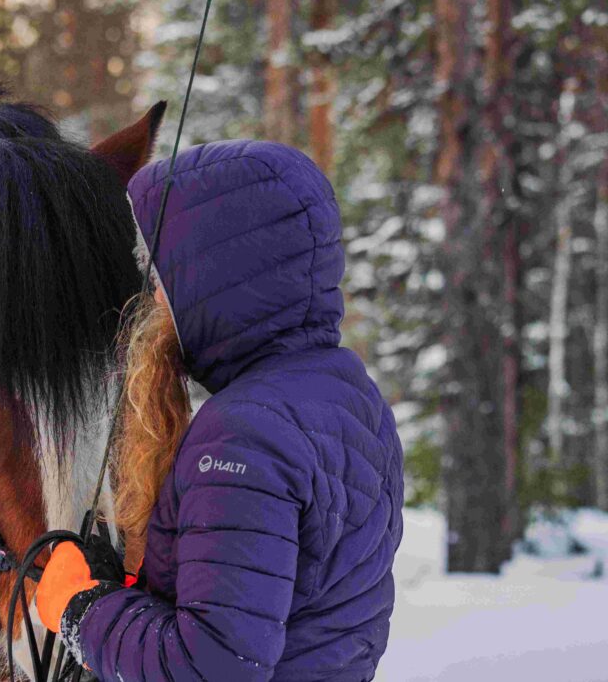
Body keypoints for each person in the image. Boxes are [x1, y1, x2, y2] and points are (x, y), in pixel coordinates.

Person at [36, 140, 404, 681]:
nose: (155, 298)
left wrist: (78, 609)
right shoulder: (350, 399)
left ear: (218, 277)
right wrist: (133, 589)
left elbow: (213, 666)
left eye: (160, 273)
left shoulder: (243, 435)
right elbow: (286, 604)